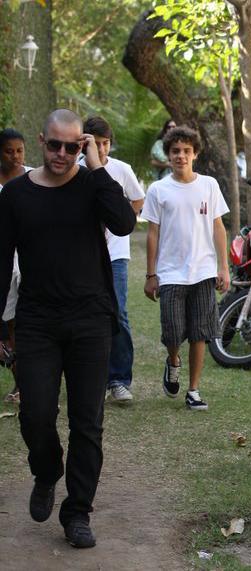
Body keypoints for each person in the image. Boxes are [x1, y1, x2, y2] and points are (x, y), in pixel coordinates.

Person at [0, 109, 135, 548]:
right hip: (37, 319)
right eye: (54, 145)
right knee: (36, 414)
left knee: (87, 423)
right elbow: (1, 262)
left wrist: (96, 168)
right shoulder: (15, 194)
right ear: (42, 140)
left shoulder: (92, 185)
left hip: (90, 318)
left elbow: (124, 222)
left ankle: (77, 511)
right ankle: (46, 470)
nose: (62, 154)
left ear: (85, 146)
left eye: (73, 146)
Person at [141, 125, 230, 411]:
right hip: (170, 273)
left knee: (200, 331)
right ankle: (173, 360)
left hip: (203, 271)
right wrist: (151, 274)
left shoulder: (209, 185)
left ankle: (193, 389)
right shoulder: (158, 190)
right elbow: (152, 233)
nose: (181, 156)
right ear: (168, 155)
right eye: (175, 151)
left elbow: (218, 227)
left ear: (195, 154)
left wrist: (224, 267)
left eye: (186, 151)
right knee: (173, 330)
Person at [81, 116, 145, 403]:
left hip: (116, 253)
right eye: (96, 144)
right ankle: (88, 377)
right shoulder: (75, 169)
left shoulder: (121, 169)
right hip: (83, 253)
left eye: (105, 143)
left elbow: (137, 199)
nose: (102, 149)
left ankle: (119, 379)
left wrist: (119, 218)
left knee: (118, 311)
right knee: (84, 312)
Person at [0, 128, 32, 404]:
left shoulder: (35, 178)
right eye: (9, 151)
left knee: (32, 320)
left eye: (19, 150)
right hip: (4, 263)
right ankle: (20, 382)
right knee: (11, 323)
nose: (15, 156)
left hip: (32, 260)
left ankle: (34, 384)